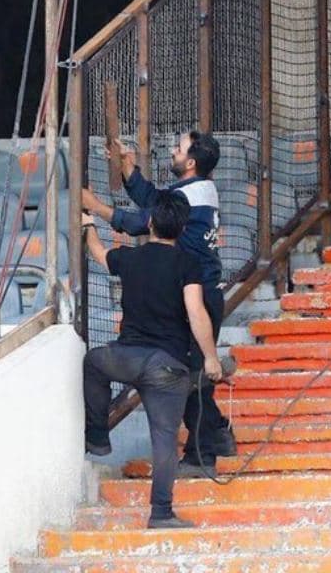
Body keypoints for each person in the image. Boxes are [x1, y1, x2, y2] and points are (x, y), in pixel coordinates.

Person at [82, 131, 234, 477]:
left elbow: (143, 221)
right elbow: (155, 203)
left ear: (191, 162)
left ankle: (202, 456)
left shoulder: (193, 195)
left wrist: (95, 208)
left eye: (178, 148)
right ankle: (218, 434)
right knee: (192, 374)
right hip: (188, 289)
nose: (172, 151)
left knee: (193, 377)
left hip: (199, 293)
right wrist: (129, 171)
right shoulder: (195, 190)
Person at [82, 191, 223, 529]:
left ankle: (98, 435)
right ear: (183, 226)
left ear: (149, 222)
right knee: (164, 440)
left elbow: (99, 255)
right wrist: (211, 359)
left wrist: (88, 225)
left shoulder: (131, 257)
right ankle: (160, 512)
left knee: (93, 362)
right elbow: (196, 312)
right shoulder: (187, 263)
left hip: (125, 358)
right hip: (168, 367)